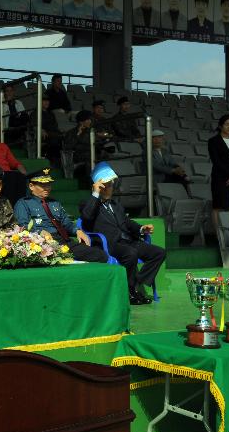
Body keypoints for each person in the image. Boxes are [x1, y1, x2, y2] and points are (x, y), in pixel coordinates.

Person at [79, 162, 165, 305]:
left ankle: (135, 284)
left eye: (111, 185)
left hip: (127, 241)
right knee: (130, 253)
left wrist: (142, 228)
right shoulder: (88, 203)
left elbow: (127, 222)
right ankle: (130, 292)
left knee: (159, 252)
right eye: (106, 185)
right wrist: (95, 194)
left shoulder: (116, 204)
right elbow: (87, 217)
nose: (110, 188)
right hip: (109, 243)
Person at [14, 169, 107, 263]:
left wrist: (77, 231)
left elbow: (66, 222)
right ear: (31, 186)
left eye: (49, 184)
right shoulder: (23, 203)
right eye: (42, 185)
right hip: (43, 243)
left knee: (100, 255)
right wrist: (39, 232)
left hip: (64, 241)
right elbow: (22, 227)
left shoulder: (54, 203)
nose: (47, 188)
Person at [208, 114, 229, 219]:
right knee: (218, 207)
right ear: (220, 126)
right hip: (220, 178)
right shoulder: (213, 141)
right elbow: (216, 161)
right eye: (227, 124)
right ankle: (219, 235)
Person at [62, 110, 95, 184]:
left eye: (90, 119)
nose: (90, 121)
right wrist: (78, 135)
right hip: (78, 158)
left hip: (91, 156)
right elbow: (67, 147)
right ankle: (91, 186)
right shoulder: (71, 132)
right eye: (88, 120)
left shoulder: (91, 132)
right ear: (81, 122)